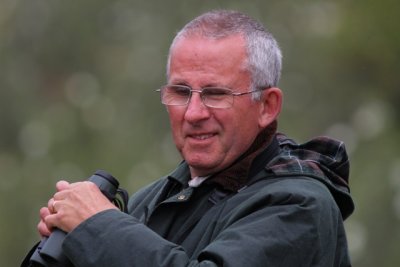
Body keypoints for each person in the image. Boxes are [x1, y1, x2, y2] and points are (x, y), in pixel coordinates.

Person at [24, 10, 354, 267]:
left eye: (215, 93)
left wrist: (98, 226)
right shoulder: (154, 199)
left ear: (267, 106)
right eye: (181, 92)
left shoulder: (301, 205)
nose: (193, 113)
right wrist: (75, 246)